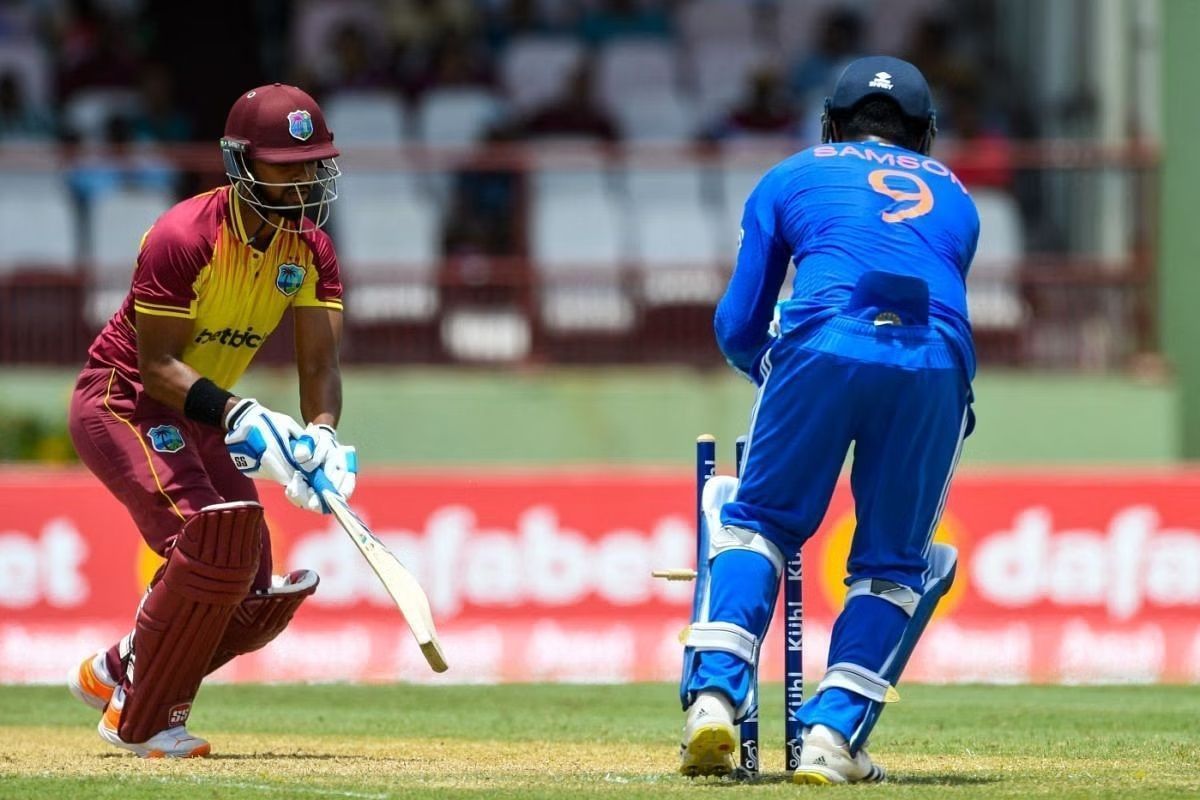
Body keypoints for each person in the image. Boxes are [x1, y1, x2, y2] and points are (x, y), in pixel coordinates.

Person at [679, 57, 979, 783]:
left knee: (759, 523)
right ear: (926, 135)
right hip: (935, 359)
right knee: (891, 564)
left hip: (819, 341)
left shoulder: (791, 174)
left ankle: (715, 700)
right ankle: (831, 740)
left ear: (832, 126)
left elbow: (737, 323)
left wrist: (772, 374)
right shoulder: (961, 198)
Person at [65, 83, 357, 758]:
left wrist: (319, 433)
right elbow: (160, 364)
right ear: (243, 164)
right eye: (288, 163)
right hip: (125, 399)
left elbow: (321, 366)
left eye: (315, 162)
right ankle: (139, 718)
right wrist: (243, 413)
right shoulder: (184, 236)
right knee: (212, 539)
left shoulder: (310, 249)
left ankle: (114, 668)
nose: (307, 176)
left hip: (200, 413)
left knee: (252, 591)